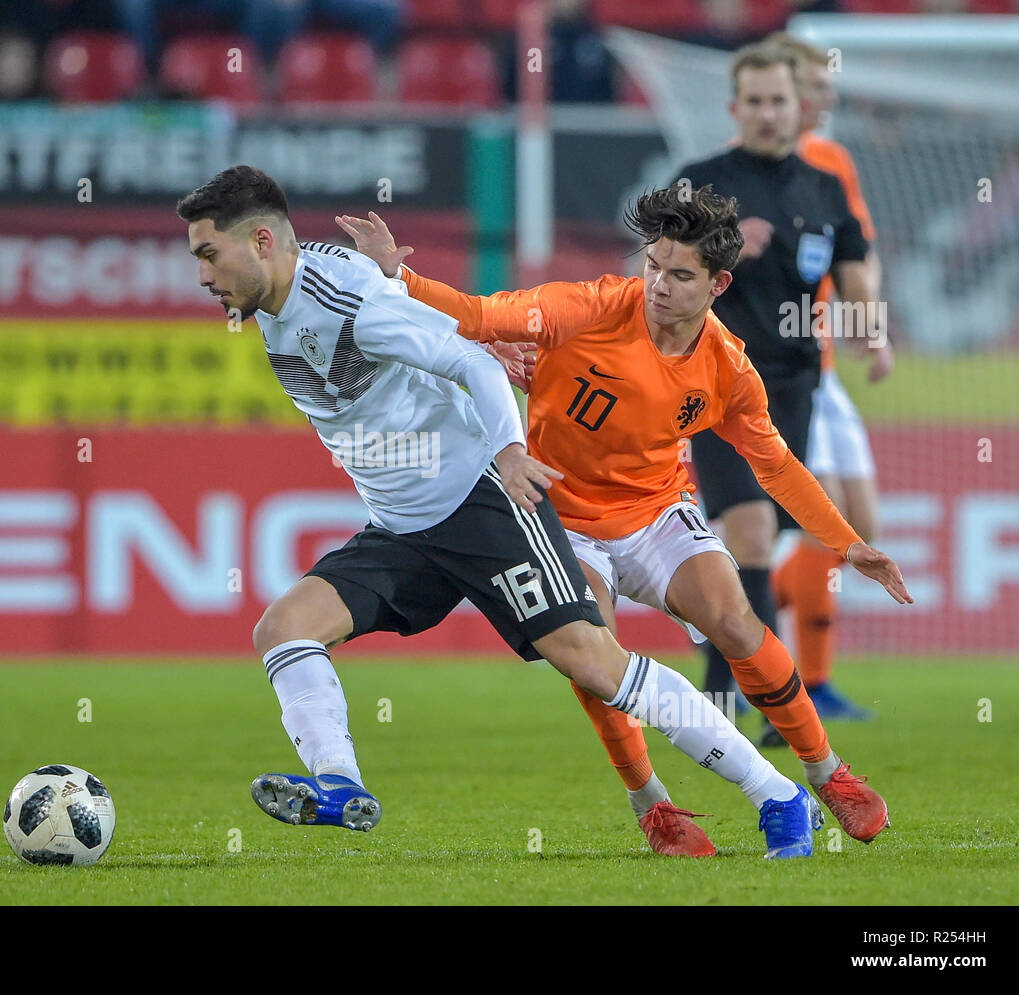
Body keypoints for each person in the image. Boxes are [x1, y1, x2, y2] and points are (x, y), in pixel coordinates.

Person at [178, 165, 825, 858]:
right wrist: (400, 276)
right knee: (283, 628)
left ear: (263, 241)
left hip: (481, 501)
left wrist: (510, 452)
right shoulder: (284, 298)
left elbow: (473, 364)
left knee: (594, 663)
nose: (203, 276)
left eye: (209, 255)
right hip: (405, 525)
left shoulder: (346, 302)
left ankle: (778, 795)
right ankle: (339, 785)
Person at [335, 185, 908, 856]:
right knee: (592, 657)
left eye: (680, 274)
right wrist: (398, 276)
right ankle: (653, 804)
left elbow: (775, 464)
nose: (659, 284)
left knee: (734, 619)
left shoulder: (726, 367)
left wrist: (847, 543)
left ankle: (824, 771)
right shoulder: (585, 306)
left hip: (658, 511)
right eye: (654, 265)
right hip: (563, 519)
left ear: (719, 283)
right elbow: (480, 315)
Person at [670, 44, 884, 716]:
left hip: (793, 385)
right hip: (717, 378)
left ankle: (720, 680)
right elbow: (653, 270)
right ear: (736, 109)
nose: (766, 113)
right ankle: (765, 699)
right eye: (754, 102)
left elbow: (854, 267)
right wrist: (715, 246)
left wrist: (870, 329)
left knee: (764, 540)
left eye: (778, 101)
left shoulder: (824, 188)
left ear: (801, 108)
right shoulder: (702, 182)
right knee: (754, 528)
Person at [762, 32, 890, 728]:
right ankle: (808, 677)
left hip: (824, 366)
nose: (827, 102)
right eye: (818, 88)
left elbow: (855, 258)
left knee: (861, 528)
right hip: (776, 374)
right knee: (829, 517)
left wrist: (871, 325)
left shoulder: (832, 163)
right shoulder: (750, 172)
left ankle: (737, 604)